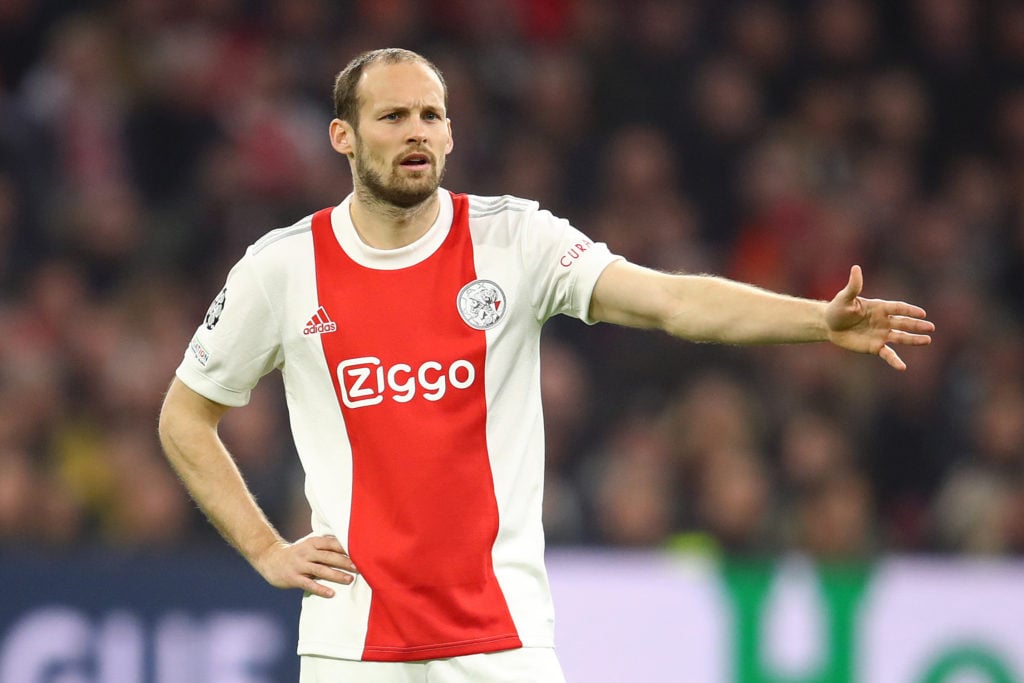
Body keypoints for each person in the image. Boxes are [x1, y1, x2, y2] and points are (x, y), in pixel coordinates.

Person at [157, 47, 934, 683]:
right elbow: (185, 416)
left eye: (431, 115)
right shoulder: (283, 268)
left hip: (503, 637)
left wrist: (816, 321)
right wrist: (265, 547)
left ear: (452, 135)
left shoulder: (513, 240)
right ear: (343, 137)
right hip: (350, 641)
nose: (415, 131)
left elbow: (669, 301)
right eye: (392, 116)